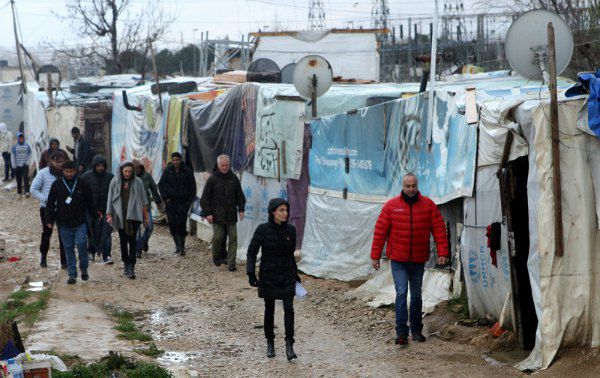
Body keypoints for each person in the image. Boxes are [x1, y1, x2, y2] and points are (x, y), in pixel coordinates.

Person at [370, 173, 449, 346]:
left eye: (413, 186)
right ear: (403, 186)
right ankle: (401, 333)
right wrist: (375, 256)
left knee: (416, 295)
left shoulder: (428, 205)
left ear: (417, 185)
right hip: (398, 259)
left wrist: (442, 253)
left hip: (418, 259)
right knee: (401, 293)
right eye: (408, 186)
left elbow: (438, 229)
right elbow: (380, 231)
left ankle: (416, 330)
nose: (411, 189)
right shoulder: (391, 206)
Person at [247, 198, 299, 361]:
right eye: (281, 210)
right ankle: (270, 341)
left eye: (286, 210)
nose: (285, 213)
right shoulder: (262, 230)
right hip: (269, 274)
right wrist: (250, 273)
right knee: (269, 309)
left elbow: (290, 255)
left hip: (287, 274)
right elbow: (251, 252)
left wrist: (295, 275)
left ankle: (289, 344)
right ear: (272, 212)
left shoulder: (291, 230)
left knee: (289, 309)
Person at [45, 160, 94, 285]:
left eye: (71, 172)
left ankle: (84, 269)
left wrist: (95, 216)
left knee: (82, 243)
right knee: (68, 248)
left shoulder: (82, 183)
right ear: (63, 171)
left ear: (75, 171)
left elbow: (90, 201)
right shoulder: (57, 184)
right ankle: (72, 274)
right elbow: (50, 203)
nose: (69, 174)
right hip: (63, 223)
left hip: (80, 222)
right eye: (67, 172)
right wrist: (49, 220)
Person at [200, 154, 245, 270]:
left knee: (233, 238)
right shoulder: (212, 179)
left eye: (227, 165)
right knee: (218, 237)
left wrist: (241, 209)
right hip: (217, 215)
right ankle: (216, 256)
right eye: (222, 165)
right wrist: (208, 213)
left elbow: (240, 195)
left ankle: (231, 263)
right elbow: (205, 198)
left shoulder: (234, 178)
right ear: (218, 165)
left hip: (231, 215)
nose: (225, 167)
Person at [106, 161, 149, 279]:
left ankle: (132, 267)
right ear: (121, 171)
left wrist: (145, 217)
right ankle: (125, 262)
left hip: (134, 215)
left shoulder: (138, 182)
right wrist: (109, 214)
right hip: (120, 215)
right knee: (123, 240)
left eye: (130, 171)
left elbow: (144, 200)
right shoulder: (115, 181)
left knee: (133, 241)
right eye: (125, 171)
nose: (127, 173)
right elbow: (110, 198)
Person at [30, 151, 68, 269]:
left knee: (63, 235)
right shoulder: (43, 173)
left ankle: (64, 262)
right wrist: (46, 199)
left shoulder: (66, 173)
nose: (59, 164)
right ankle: (43, 258)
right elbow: (33, 189)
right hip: (47, 209)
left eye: (61, 161)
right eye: (56, 161)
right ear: (51, 161)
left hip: (62, 209)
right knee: (47, 234)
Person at [158, 152, 196, 256]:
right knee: (172, 224)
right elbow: (161, 184)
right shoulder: (168, 170)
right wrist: (165, 198)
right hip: (171, 202)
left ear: (180, 160)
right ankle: (177, 246)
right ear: (171, 160)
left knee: (181, 224)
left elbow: (193, 186)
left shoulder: (187, 170)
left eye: (177, 160)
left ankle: (182, 247)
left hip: (183, 202)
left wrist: (189, 200)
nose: (175, 162)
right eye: (174, 160)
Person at [81, 155, 114, 264]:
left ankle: (107, 255)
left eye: (102, 166)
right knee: (91, 232)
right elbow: (81, 193)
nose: (100, 168)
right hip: (91, 210)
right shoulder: (86, 176)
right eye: (98, 166)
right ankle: (91, 252)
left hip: (106, 210)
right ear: (94, 166)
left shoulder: (110, 177)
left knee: (106, 233)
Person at [133, 159, 162, 258]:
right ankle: (138, 250)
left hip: (146, 207)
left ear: (141, 168)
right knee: (136, 231)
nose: (137, 170)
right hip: (134, 209)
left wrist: (158, 201)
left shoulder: (146, 176)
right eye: (135, 168)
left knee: (149, 227)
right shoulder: (129, 178)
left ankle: (144, 241)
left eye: (139, 168)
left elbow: (154, 189)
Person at [11, 132, 32, 197]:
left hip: (24, 165)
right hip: (17, 166)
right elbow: (12, 157)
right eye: (19, 138)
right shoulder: (15, 147)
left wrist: (27, 163)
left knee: (26, 178)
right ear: (18, 139)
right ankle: (19, 192)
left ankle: (27, 191)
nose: (21, 139)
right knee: (18, 179)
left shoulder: (27, 146)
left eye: (22, 138)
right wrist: (14, 166)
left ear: (23, 138)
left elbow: (30, 155)